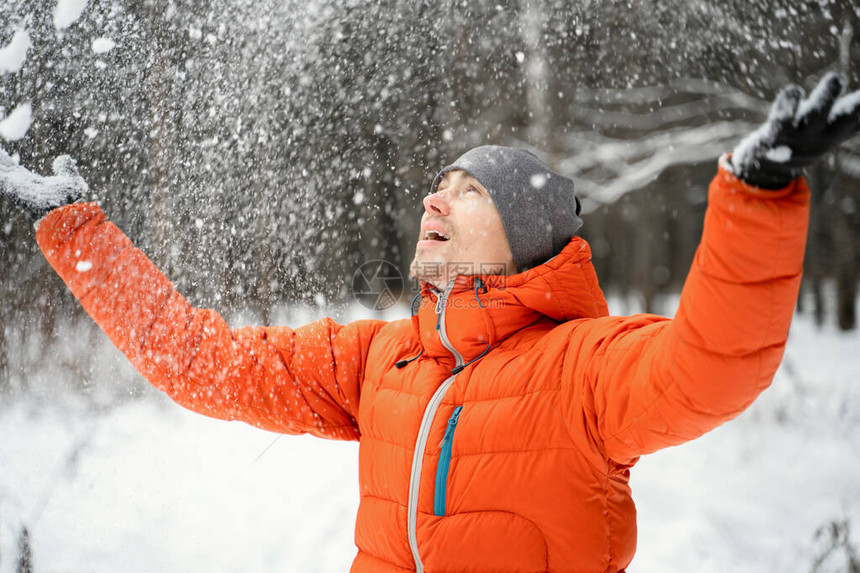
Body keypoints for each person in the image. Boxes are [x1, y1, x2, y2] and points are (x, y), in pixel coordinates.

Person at [1, 73, 859, 572]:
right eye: (438, 182)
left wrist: (754, 197)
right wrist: (81, 234)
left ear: (523, 239)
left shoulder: (582, 369)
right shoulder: (382, 358)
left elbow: (710, 366)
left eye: (467, 189)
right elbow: (203, 359)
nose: (432, 197)